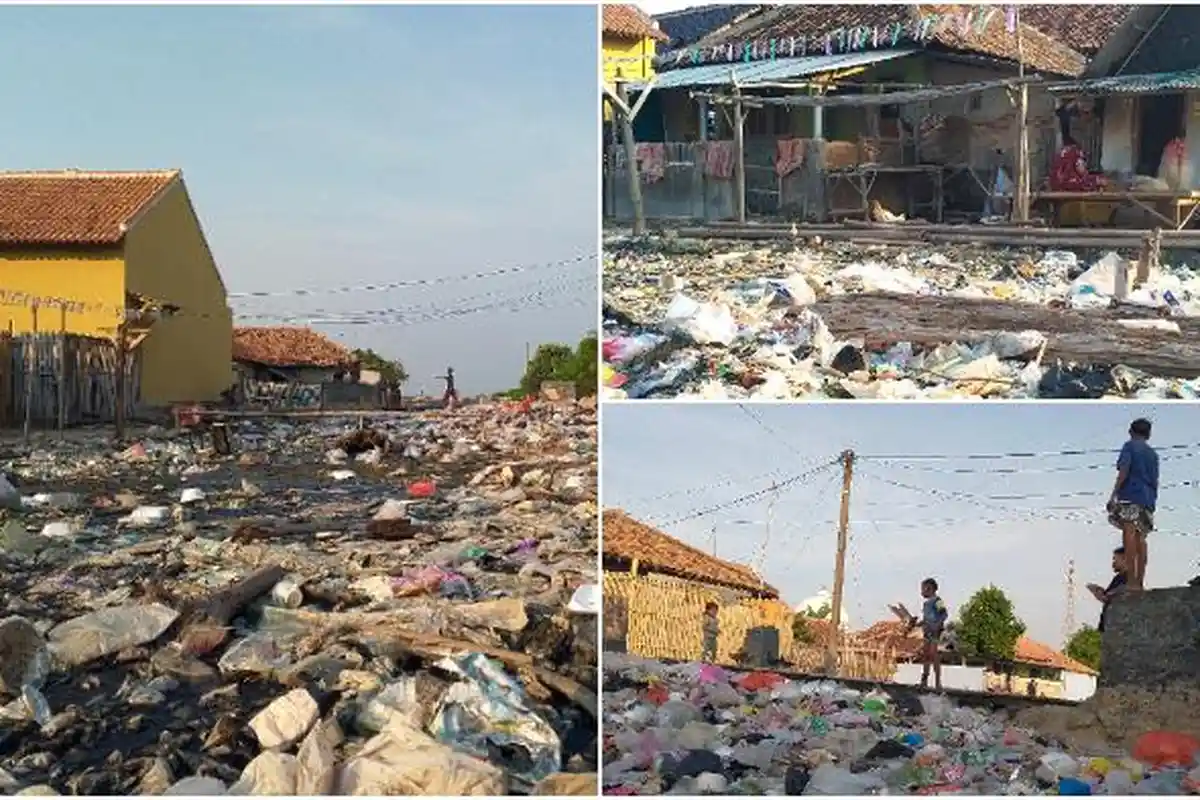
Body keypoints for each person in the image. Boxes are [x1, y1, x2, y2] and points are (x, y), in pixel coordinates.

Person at [1107, 418, 1158, 591]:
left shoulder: (1129, 446)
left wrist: (1113, 495)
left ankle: (1131, 581)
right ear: (1148, 434)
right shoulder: (1153, 454)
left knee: (1129, 534)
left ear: (1131, 432)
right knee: (1141, 538)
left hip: (1131, 495)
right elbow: (1155, 480)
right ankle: (1140, 581)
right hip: (1148, 499)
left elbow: (1124, 471)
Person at [906, 578, 948, 691]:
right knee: (926, 656)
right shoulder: (926, 604)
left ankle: (938, 683)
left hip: (934, 632)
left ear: (930, 588)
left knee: (933, 654)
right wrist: (916, 624)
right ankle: (924, 681)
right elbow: (925, 619)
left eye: (923, 589)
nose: (922, 591)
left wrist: (937, 625)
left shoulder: (938, 601)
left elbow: (944, 614)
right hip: (927, 631)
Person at [1087, 546, 1129, 633]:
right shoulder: (1118, 578)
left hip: (1117, 627)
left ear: (1124, 559)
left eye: (1115, 559)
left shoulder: (1129, 578)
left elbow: (1107, 597)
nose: (1113, 563)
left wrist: (1096, 591)